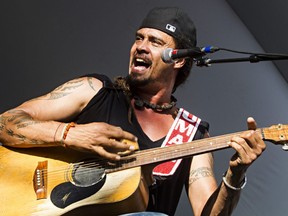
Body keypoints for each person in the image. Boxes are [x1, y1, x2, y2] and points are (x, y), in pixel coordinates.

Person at [0, 6, 265, 216]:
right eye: (139, 38)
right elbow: (6, 122)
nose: (140, 46)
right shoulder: (94, 90)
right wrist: (70, 134)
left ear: (180, 59)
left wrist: (236, 174)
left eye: (154, 41)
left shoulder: (193, 134)